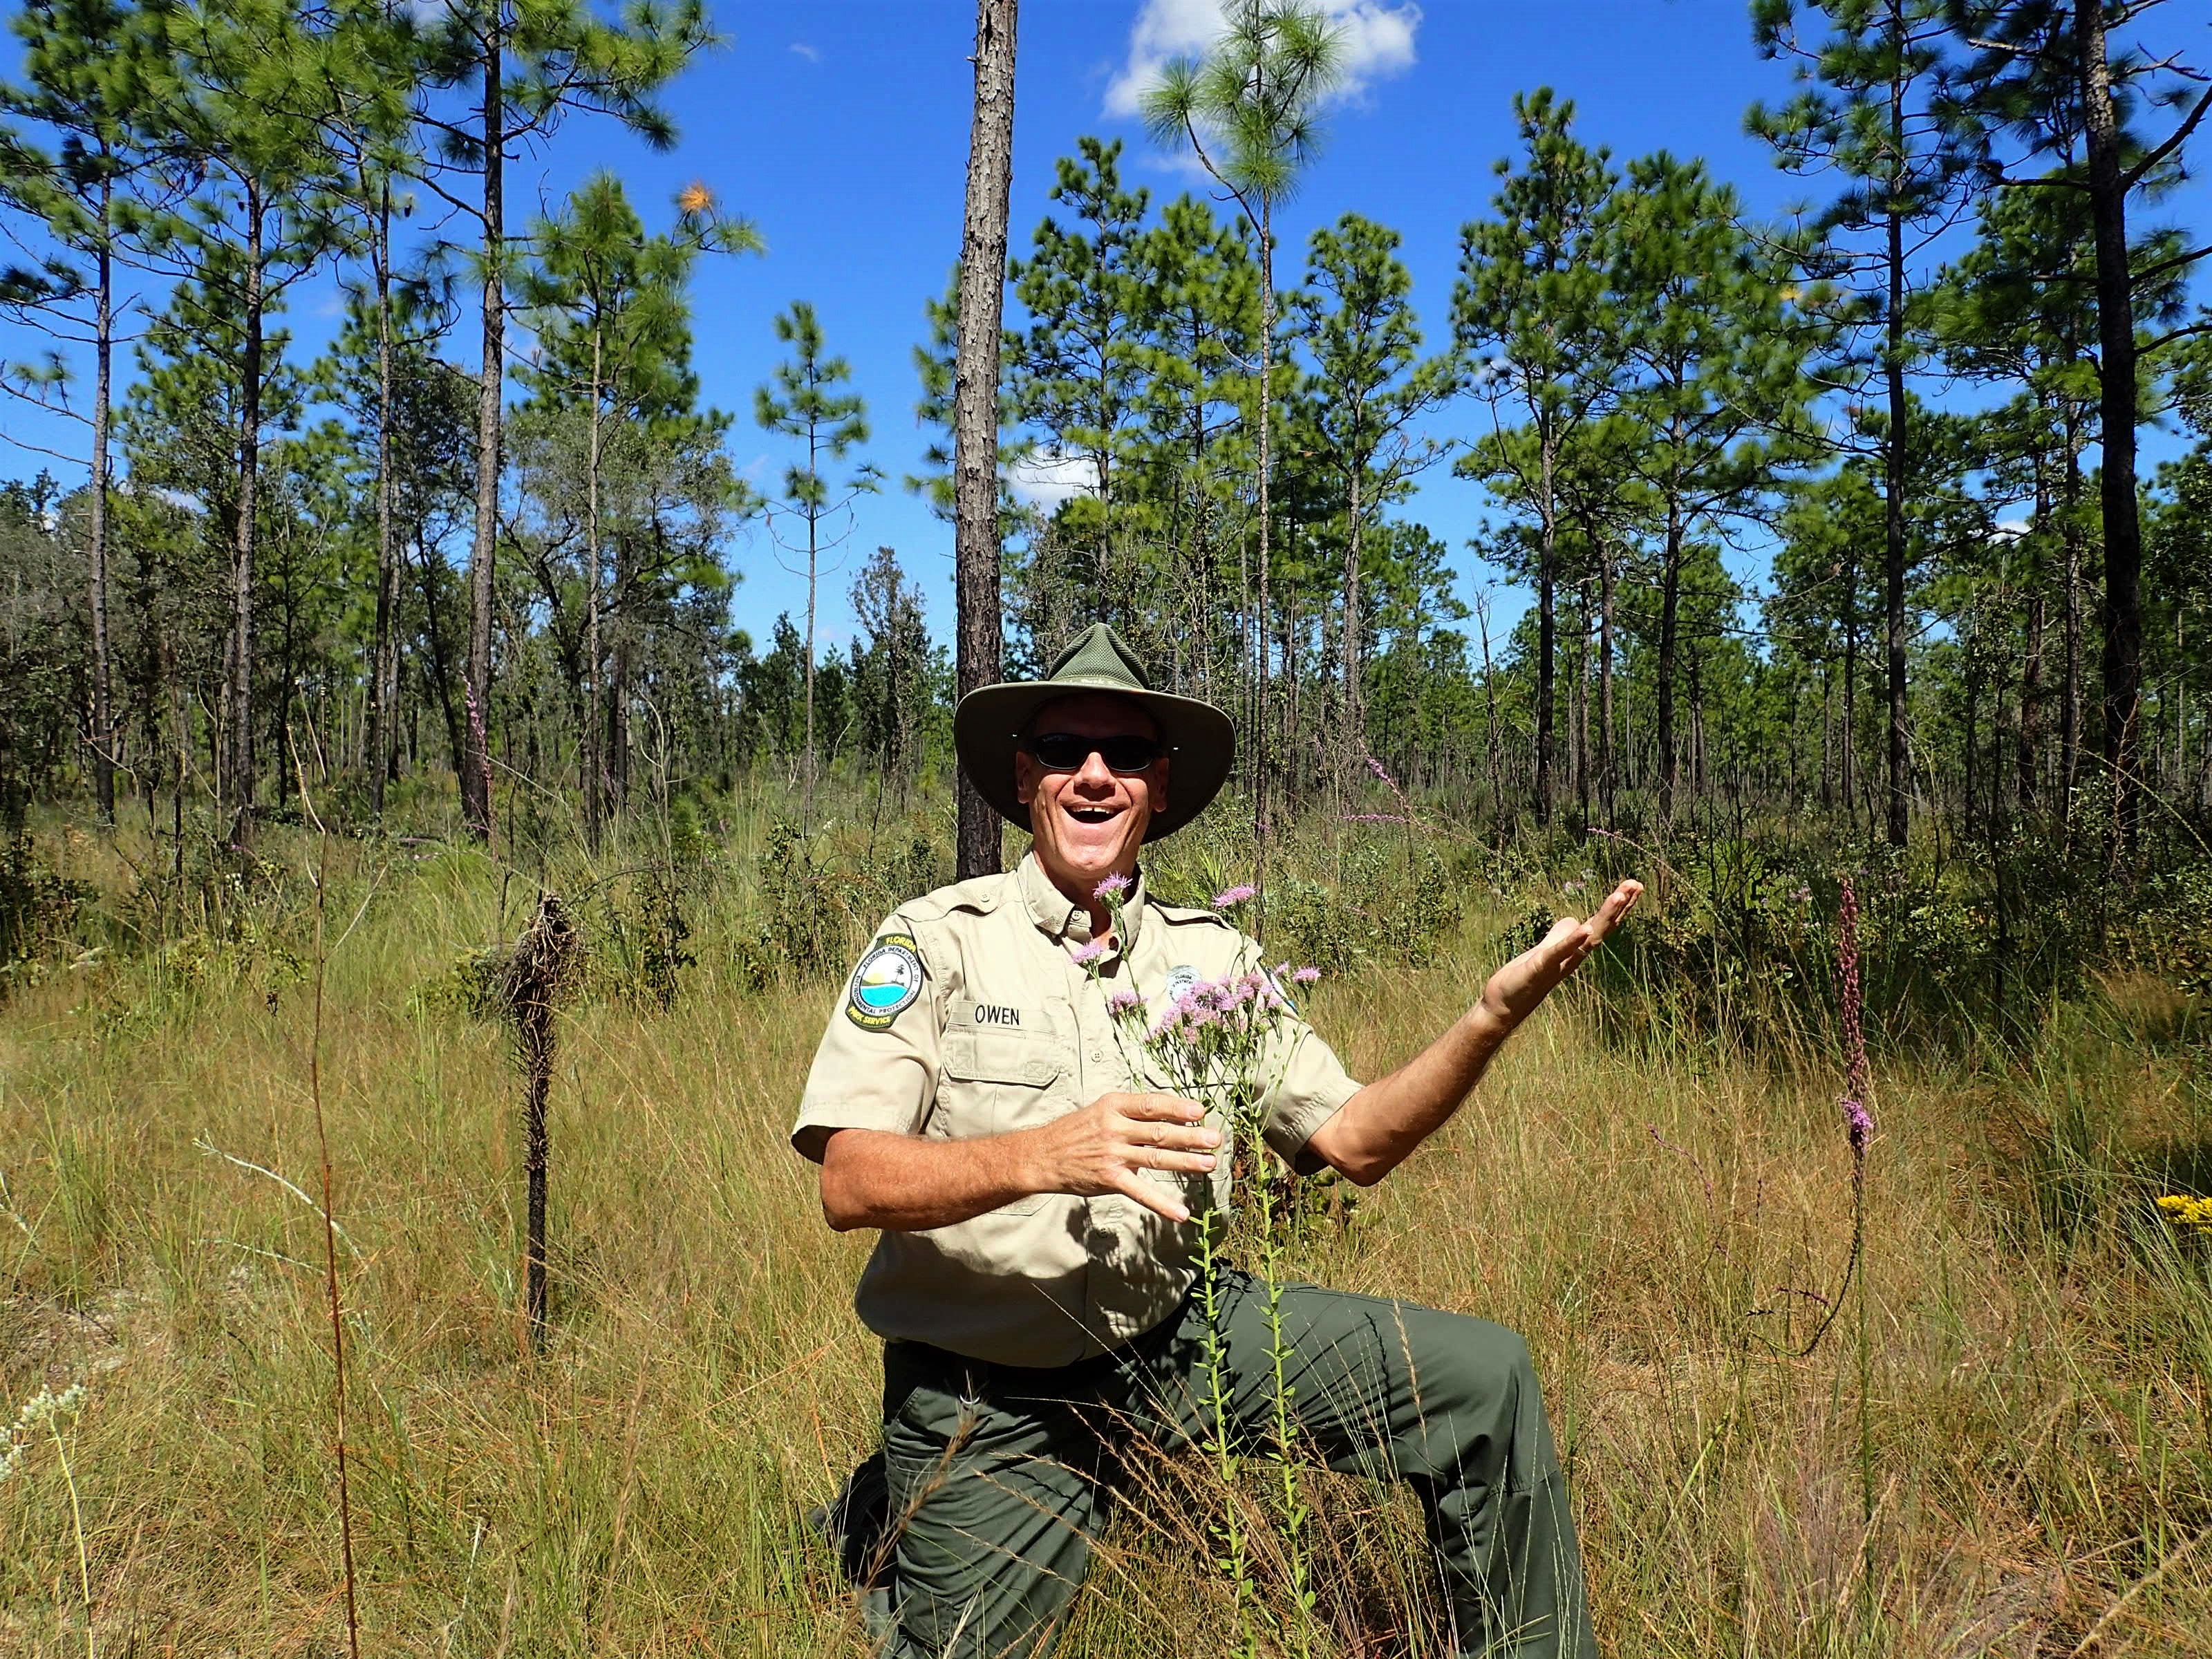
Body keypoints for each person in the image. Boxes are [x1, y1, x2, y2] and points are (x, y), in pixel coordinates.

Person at [791, 623, 1640, 1658]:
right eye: (1064, 751)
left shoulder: (1213, 958)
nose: (1094, 776)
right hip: (992, 1385)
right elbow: (850, 1177)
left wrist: (1487, 1018)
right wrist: (1044, 1154)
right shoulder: (937, 941)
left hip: (1179, 1339)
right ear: (1025, 780)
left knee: (1486, 1380)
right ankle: (895, 1503)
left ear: (1158, 790)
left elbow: (1354, 1139)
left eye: (1126, 756)